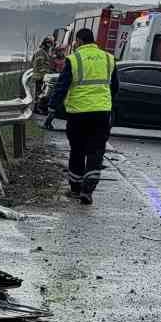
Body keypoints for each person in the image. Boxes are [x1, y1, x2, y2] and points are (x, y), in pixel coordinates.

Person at [47, 27, 114, 205]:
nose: (75, 44)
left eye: (76, 41)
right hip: (101, 113)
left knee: (77, 150)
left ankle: (76, 188)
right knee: (96, 151)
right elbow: (115, 86)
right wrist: (108, 105)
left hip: (78, 113)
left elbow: (62, 85)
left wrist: (52, 106)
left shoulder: (74, 59)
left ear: (80, 41)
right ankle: (88, 188)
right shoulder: (108, 58)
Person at [30, 38, 53, 112]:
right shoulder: (41, 52)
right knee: (39, 93)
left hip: (42, 75)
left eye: (50, 44)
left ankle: (39, 108)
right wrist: (46, 71)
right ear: (45, 43)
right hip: (39, 76)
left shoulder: (43, 52)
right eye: (49, 43)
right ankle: (37, 108)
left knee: (41, 92)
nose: (50, 45)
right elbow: (39, 64)